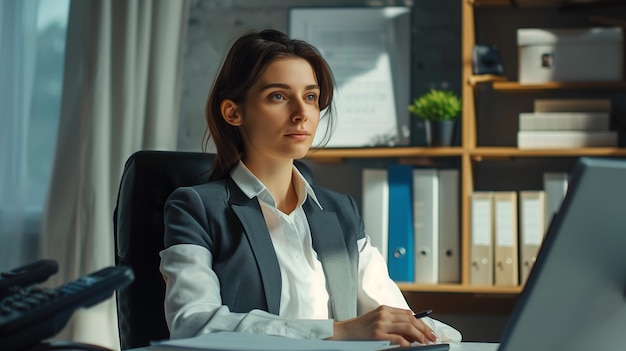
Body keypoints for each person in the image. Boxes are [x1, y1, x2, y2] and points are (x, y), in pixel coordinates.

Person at [159, 29, 462, 347]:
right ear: (233, 112)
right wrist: (337, 331)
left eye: (311, 97)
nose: (302, 114)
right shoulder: (196, 208)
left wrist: (433, 333)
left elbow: (398, 318)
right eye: (278, 96)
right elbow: (191, 323)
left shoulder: (340, 211)